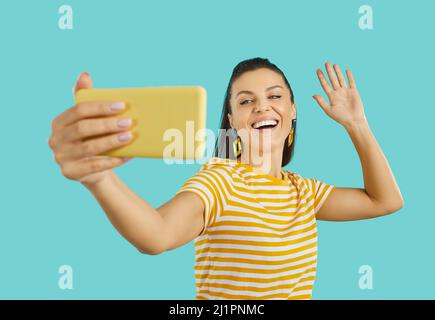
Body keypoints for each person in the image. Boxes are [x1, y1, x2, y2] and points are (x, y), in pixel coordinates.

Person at [48, 57, 404, 300]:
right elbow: (156, 234)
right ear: (232, 120)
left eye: (275, 96)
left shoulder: (303, 191)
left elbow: (385, 200)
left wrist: (357, 125)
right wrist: (100, 178)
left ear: (292, 111)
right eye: (246, 102)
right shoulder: (220, 180)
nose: (263, 106)